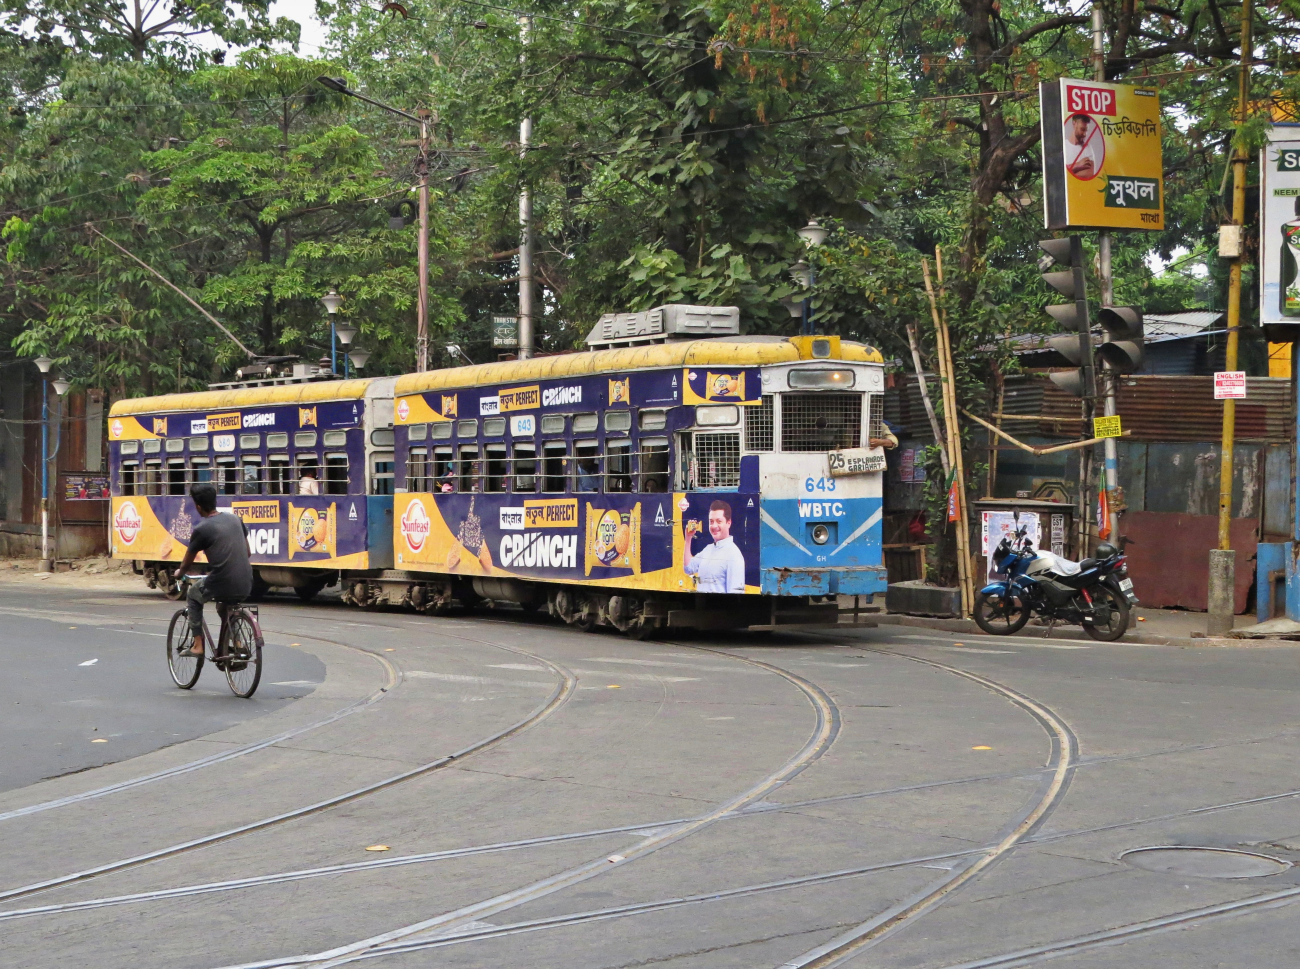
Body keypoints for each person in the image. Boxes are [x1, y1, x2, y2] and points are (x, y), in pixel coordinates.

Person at [173, 483, 253, 656]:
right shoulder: (235, 519)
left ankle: (197, 646)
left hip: (222, 582)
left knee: (193, 595)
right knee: (225, 606)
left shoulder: (202, 529)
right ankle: (238, 643)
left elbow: (186, 563)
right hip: (246, 581)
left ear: (198, 506)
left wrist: (179, 573)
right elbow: (247, 552)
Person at [682, 499, 746, 594]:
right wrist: (688, 538)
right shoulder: (708, 549)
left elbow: (735, 595)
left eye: (719, 521)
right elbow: (688, 568)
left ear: (728, 523)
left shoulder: (734, 556)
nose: (714, 526)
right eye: (711, 522)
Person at [1064, 112, 1102, 179]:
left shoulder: (1088, 148)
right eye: (1082, 129)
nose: (1085, 134)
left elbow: (1089, 174)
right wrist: (1078, 165)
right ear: (1074, 124)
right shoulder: (1064, 146)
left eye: (1086, 130)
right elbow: (1060, 172)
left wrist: (1070, 170)